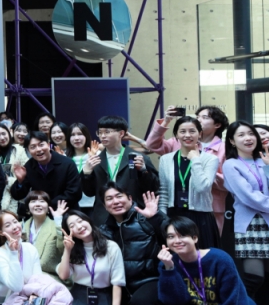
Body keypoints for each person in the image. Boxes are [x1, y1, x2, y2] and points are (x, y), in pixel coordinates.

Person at [221, 121, 269, 305]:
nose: (248, 138)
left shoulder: (265, 161)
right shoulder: (231, 164)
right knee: (254, 278)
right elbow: (250, 198)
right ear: (232, 141)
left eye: (251, 134)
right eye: (241, 135)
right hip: (250, 225)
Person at [99, 184, 173, 305]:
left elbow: (172, 236)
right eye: (109, 199)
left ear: (130, 198)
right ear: (104, 206)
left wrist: (155, 218)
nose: (115, 201)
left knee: (141, 302)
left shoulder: (146, 217)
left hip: (151, 279)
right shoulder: (104, 230)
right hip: (122, 285)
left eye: (119, 196)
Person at [146, 105, 228, 236]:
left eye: (204, 117)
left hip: (208, 208)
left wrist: (205, 171)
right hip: (175, 209)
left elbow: (227, 183)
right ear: (177, 134)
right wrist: (166, 121)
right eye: (198, 116)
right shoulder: (175, 146)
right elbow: (151, 145)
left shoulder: (223, 149)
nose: (187, 135)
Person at [58, 210, 126, 305]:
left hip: (103, 296)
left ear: (88, 221)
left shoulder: (111, 247)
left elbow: (117, 283)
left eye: (80, 221)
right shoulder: (74, 249)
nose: (79, 226)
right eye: (72, 226)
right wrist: (67, 250)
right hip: (79, 295)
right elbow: (63, 275)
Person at [82, 116, 160, 226]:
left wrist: (143, 171)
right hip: (104, 218)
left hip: (134, 216)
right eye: (100, 132)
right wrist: (86, 174)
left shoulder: (137, 157)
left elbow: (153, 188)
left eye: (107, 132)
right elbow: (89, 192)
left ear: (121, 133)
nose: (102, 136)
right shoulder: (95, 161)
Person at [157, 116, 220, 249]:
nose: (187, 135)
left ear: (200, 134)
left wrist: (195, 160)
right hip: (173, 216)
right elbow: (163, 191)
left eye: (192, 131)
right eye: (182, 131)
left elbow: (202, 187)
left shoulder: (210, 159)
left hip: (200, 217)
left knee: (202, 257)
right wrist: (163, 217)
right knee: (176, 257)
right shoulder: (165, 159)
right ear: (176, 135)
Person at [8, 131, 82, 217]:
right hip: (41, 215)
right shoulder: (29, 166)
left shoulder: (67, 163)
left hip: (67, 213)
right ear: (28, 150)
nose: (38, 149)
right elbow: (17, 196)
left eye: (41, 145)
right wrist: (20, 181)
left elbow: (74, 193)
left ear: (48, 145)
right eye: (33, 147)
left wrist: (46, 205)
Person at [22, 191, 66, 275]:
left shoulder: (56, 226)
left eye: (42, 201)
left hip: (48, 274)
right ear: (28, 207)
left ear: (48, 207)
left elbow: (63, 249)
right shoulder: (21, 226)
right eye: (33, 201)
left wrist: (58, 220)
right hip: (24, 272)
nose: (38, 204)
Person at [0, 124, 28, 215]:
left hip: (15, 196)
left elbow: (27, 176)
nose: (2, 138)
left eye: (4, 133)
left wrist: (10, 181)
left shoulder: (19, 150)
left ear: (9, 133)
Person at [66, 123, 96, 212]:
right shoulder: (64, 158)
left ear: (86, 136)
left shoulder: (95, 155)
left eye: (80, 134)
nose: (76, 138)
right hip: (71, 204)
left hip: (93, 204)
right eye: (72, 135)